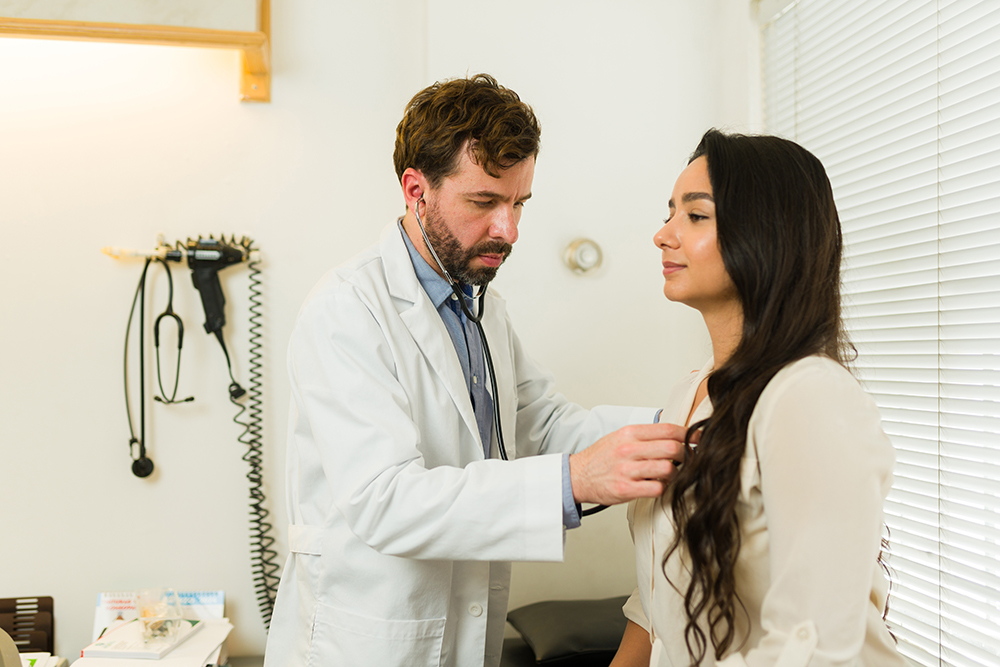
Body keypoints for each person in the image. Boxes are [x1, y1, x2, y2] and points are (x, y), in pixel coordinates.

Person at [263, 74, 688, 667]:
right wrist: (574, 480)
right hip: (368, 644)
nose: (508, 231)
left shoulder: (478, 303)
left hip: (459, 635)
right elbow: (384, 499)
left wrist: (680, 430)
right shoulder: (347, 309)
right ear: (416, 189)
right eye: (484, 202)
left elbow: (538, 424)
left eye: (519, 204)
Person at [611, 129, 908, 666]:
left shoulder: (808, 397)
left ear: (765, 235)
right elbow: (658, 603)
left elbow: (812, 648)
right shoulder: (690, 394)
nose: (662, 234)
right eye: (670, 212)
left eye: (695, 216)